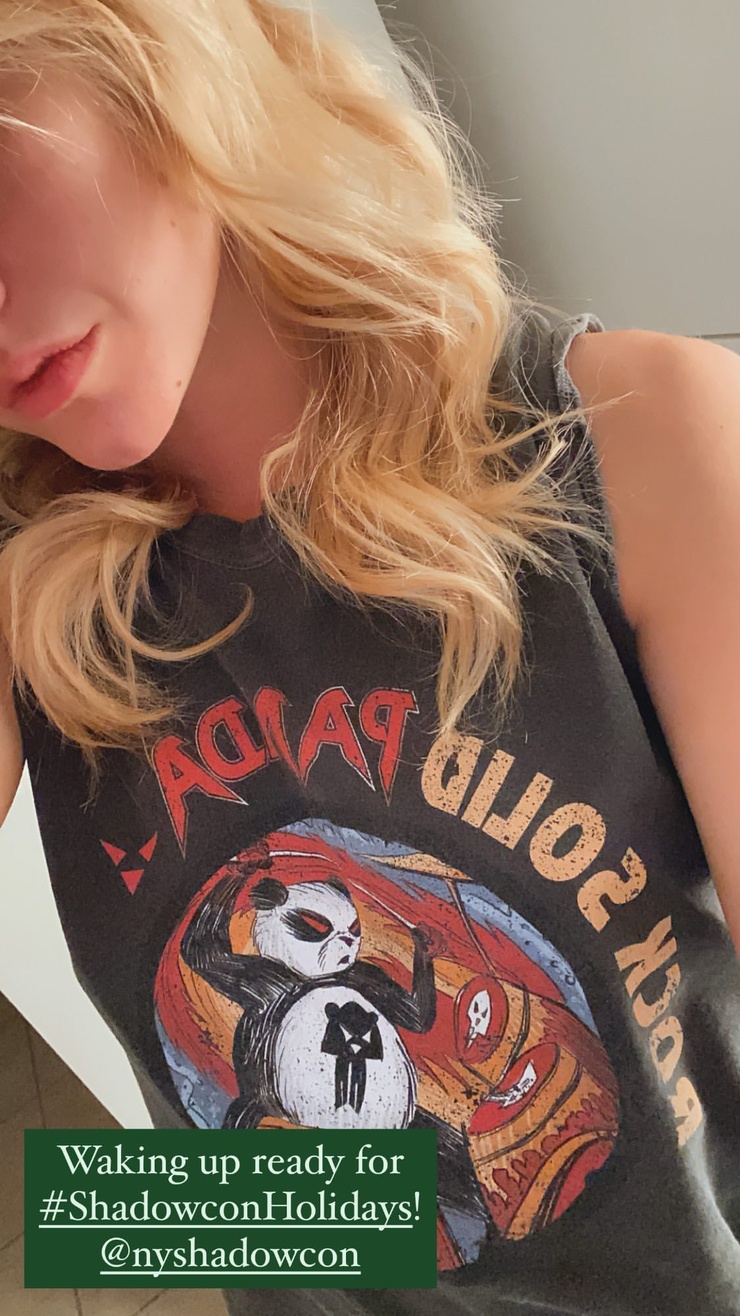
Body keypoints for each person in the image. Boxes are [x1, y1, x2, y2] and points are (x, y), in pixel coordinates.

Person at [0, 2, 737, 1314]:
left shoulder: (642, 440)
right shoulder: (30, 601)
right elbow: (195, 1207)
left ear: (154, 44)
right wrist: (150, 1212)